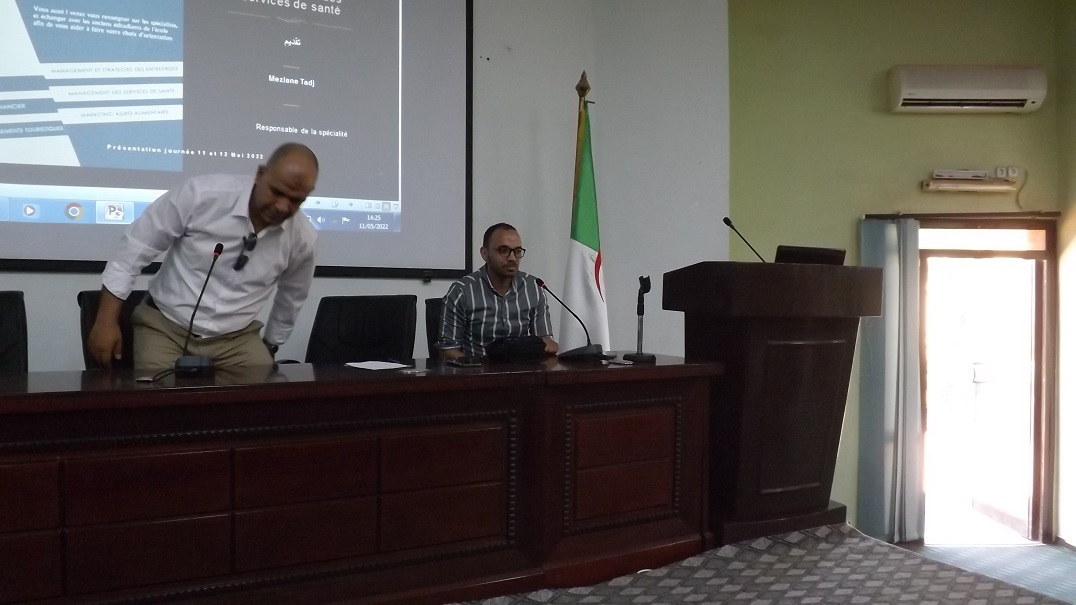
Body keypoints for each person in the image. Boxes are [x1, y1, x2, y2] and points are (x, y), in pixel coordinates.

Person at [88, 142, 319, 371]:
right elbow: (132, 252)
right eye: (277, 192)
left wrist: (271, 344)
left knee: (263, 391)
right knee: (156, 393)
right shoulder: (201, 195)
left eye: (295, 200)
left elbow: (292, 297)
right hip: (165, 326)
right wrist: (105, 322)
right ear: (260, 174)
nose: (282, 207)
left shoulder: (303, 238)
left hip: (236, 339)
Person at [438, 222, 558, 360]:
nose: (512, 258)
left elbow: (545, 341)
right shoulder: (462, 291)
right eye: (504, 250)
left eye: (517, 251)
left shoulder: (534, 288)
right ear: (485, 253)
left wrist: (549, 345)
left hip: (522, 370)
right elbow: (447, 350)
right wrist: (473, 366)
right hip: (477, 369)